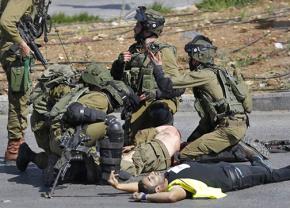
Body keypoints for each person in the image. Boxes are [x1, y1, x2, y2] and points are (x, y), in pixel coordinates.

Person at [147, 32, 265, 162]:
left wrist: (157, 67)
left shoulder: (203, 75)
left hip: (228, 128)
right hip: (230, 125)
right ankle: (228, 144)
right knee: (188, 145)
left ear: (197, 58)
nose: (189, 61)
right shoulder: (219, 71)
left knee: (183, 156)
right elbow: (210, 115)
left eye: (191, 58)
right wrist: (194, 138)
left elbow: (166, 83)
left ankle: (238, 151)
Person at [16, 63, 139, 184]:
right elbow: (74, 111)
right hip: (60, 139)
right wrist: (104, 118)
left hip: (52, 134)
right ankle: (111, 174)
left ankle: (31, 156)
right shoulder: (100, 99)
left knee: (79, 166)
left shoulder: (79, 90)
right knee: (111, 126)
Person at [110, 6, 184, 145]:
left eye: (138, 24)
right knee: (127, 144)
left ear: (148, 29)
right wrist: (119, 63)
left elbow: (177, 87)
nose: (134, 28)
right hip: (138, 104)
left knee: (159, 112)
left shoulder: (163, 51)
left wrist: (156, 93)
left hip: (158, 101)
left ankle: (164, 140)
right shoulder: (134, 50)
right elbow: (116, 78)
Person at [108, 157, 290, 203]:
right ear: (157, 189)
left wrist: (120, 186)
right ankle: (259, 163)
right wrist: (144, 198)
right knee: (271, 175)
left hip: (223, 166)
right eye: (151, 178)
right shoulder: (177, 186)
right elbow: (171, 198)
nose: (152, 173)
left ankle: (256, 160)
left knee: (257, 165)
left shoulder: (167, 176)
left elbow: (141, 185)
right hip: (236, 176)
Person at [0, 0, 48, 162]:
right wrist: (21, 43)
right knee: (19, 98)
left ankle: (18, 142)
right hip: (15, 53)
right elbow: (6, 21)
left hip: (16, 51)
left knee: (21, 96)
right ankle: (14, 145)